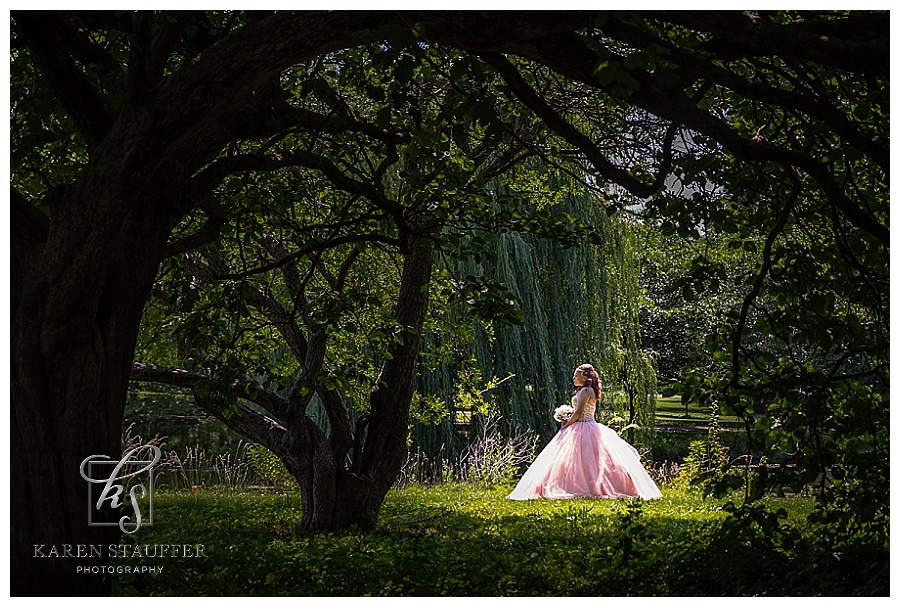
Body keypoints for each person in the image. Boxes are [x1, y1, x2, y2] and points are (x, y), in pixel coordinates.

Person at [508, 363, 661, 500]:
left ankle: (589, 487)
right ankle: (579, 485)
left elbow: (579, 412)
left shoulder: (585, 391)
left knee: (586, 460)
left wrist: (566, 424)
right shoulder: (587, 390)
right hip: (586, 425)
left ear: (584, 376)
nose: (573, 377)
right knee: (582, 460)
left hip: (584, 426)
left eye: (576, 375)